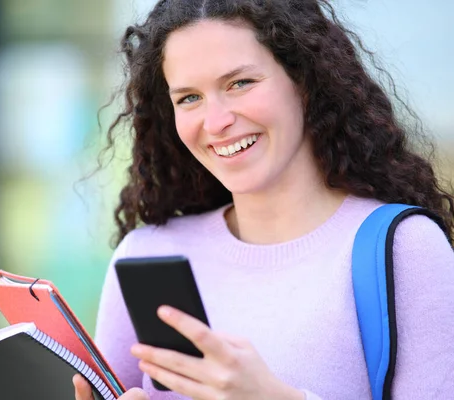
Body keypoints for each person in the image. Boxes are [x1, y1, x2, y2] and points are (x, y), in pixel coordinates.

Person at [74, 0, 454, 399]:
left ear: (305, 81)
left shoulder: (405, 249)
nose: (216, 121)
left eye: (240, 83)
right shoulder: (146, 255)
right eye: (189, 98)